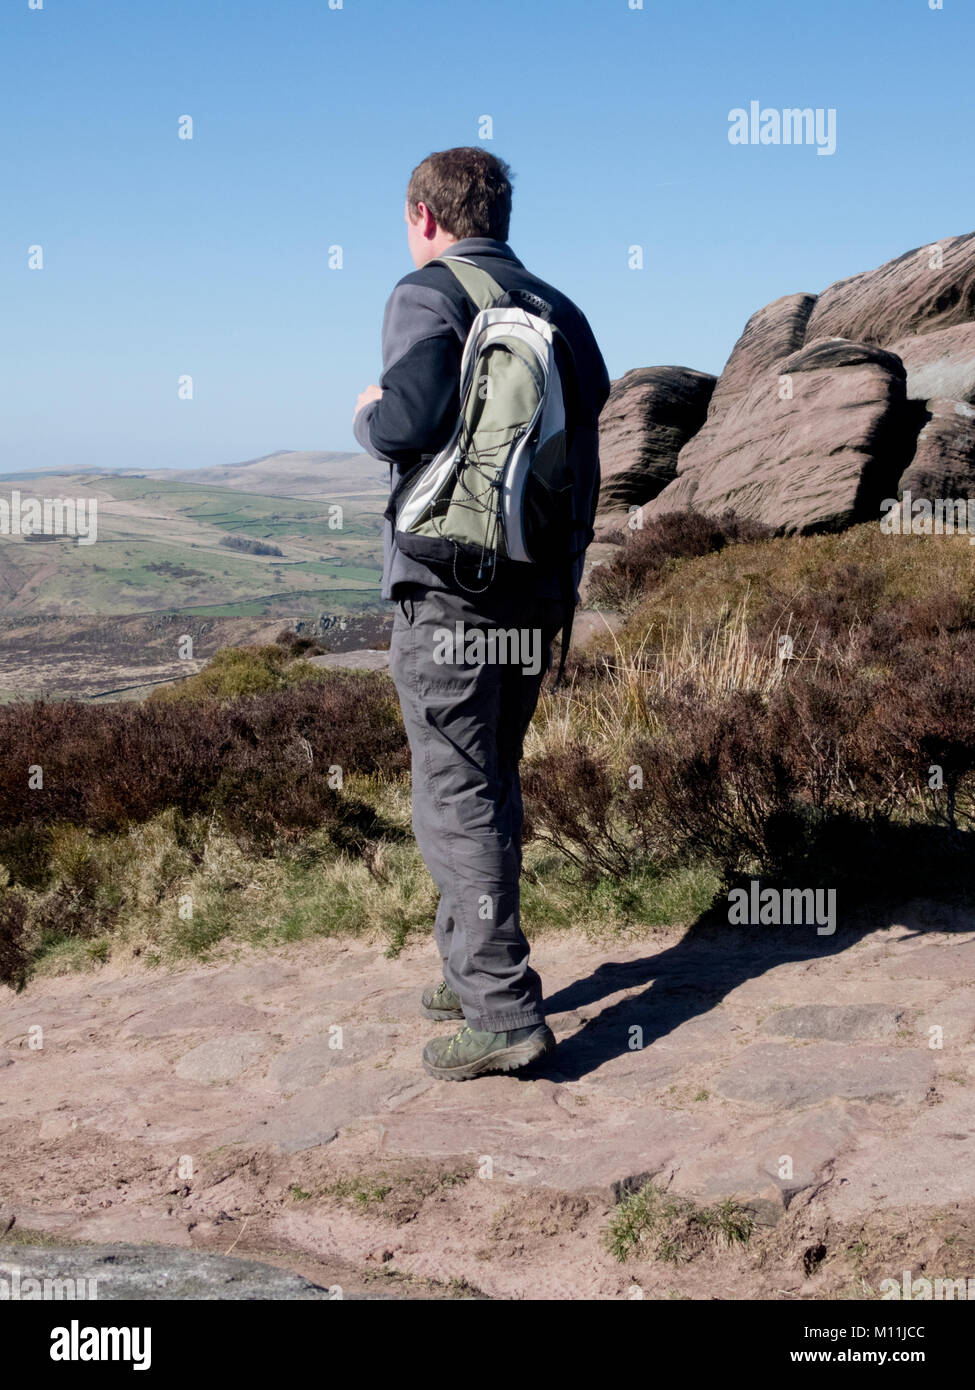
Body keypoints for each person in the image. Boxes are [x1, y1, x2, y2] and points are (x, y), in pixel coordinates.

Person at [353, 146, 610, 1081]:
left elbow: (410, 417)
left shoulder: (428, 291)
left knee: (452, 790)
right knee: (488, 778)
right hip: (536, 592)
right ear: (500, 213)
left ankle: (500, 1012)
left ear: (424, 215)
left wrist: (366, 413)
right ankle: (472, 964)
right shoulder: (560, 309)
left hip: (452, 592)